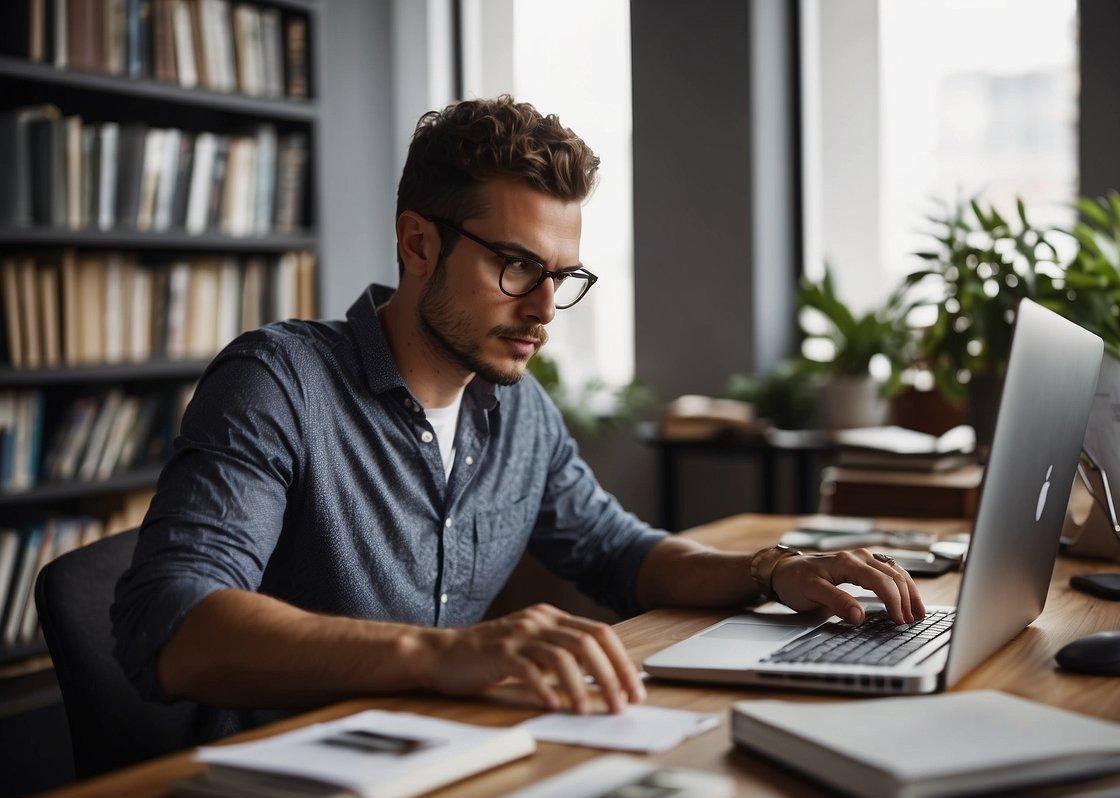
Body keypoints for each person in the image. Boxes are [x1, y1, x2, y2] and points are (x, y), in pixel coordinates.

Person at [111, 96, 925, 742]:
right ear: (418, 243)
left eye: (562, 276)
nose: (543, 309)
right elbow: (176, 627)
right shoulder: (277, 382)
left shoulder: (516, 407)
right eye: (515, 266)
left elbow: (617, 552)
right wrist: (444, 655)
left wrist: (770, 570)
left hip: (452, 756)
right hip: (284, 785)